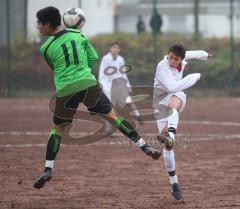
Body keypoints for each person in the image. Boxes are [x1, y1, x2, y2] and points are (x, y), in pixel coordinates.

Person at [33, 6, 161, 189]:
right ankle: (144, 146)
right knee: (114, 118)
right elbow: (92, 58)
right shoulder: (79, 35)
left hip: (66, 89)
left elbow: (56, 68)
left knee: (58, 130)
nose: (38, 27)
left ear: (47, 24)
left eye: (39, 23)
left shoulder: (45, 48)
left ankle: (47, 168)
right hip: (87, 83)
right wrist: (81, 68)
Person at [153, 44, 212, 200]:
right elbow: (171, 86)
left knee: (174, 104)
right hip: (160, 102)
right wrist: (193, 77)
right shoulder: (162, 67)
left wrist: (204, 54)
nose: (172, 61)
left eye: (176, 59)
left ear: (181, 59)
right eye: (170, 57)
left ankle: (171, 134)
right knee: (168, 146)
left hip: (176, 96)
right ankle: (174, 183)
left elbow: (191, 54)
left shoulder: (182, 59)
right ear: (168, 55)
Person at [98, 42, 143, 136]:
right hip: (108, 86)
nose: (116, 50)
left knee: (129, 101)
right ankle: (108, 130)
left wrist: (127, 85)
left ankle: (138, 115)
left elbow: (123, 73)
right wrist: (102, 85)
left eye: (117, 48)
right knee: (109, 107)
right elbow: (102, 73)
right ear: (110, 49)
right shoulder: (106, 59)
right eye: (114, 48)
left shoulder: (120, 59)